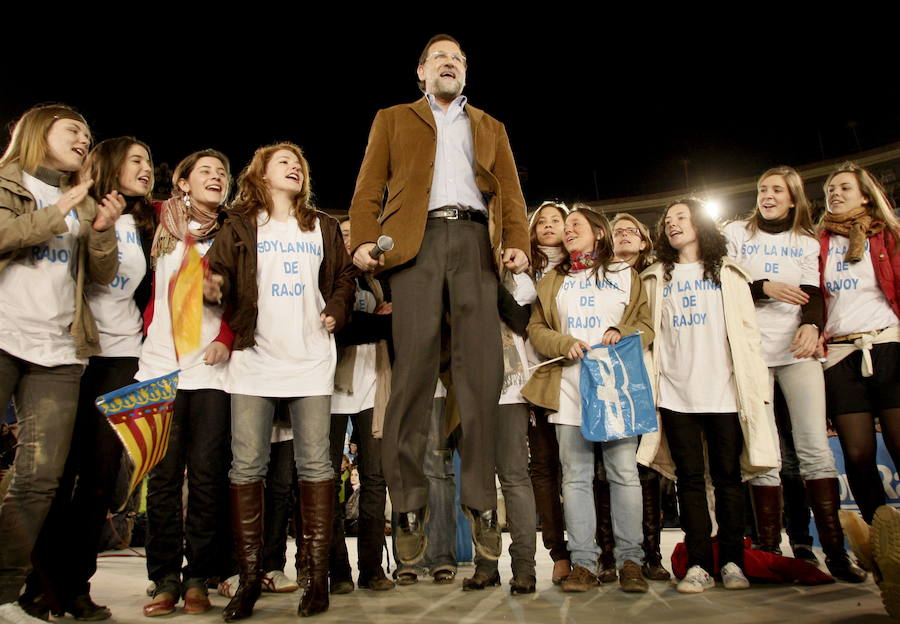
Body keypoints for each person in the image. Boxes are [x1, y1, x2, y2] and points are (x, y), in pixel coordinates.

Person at [348, 33, 531, 564]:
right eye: (439, 58)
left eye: (458, 59)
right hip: (416, 246)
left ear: (465, 74)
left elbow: (513, 195)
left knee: (481, 377)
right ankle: (407, 506)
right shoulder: (392, 118)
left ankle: (480, 503)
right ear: (421, 73)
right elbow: (367, 188)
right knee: (412, 376)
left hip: (475, 245)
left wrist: (516, 244)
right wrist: (362, 239)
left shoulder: (490, 126)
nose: (449, 64)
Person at [204, 142, 355, 619]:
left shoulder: (324, 226)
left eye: (298, 163)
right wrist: (214, 289)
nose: (293, 167)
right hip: (253, 359)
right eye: (282, 162)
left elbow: (343, 279)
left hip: (311, 360)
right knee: (246, 467)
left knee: (316, 465)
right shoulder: (240, 226)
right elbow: (219, 276)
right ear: (261, 175)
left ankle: (315, 579)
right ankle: (249, 581)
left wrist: (335, 308)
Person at [22, 137, 157, 621]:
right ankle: (38, 585)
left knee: (100, 481)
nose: (147, 168)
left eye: (148, 161)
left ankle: (76, 586)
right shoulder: (78, 207)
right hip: (74, 353)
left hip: (124, 358)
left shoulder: (146, 222)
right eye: (136, 160)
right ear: (110, 163)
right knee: (57, 476)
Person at [0, 104, 122, 624]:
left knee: (40, 478)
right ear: (37, 131)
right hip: (3, 336)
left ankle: (3, 590)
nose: (83, 138)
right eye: (73, 129)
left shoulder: (86, 199)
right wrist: (60, 208)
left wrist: (101, 228)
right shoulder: (5, 182)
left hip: (59, 348)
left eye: (87, 133)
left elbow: (100, 273)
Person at [724, 166, 865, 582]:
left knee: (813, 449)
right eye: (762, 188)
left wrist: (812, 324)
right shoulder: (736, 233)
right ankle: (771, 552)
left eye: (776, 190)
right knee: (765, 453)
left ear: (792, 198)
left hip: (797, 350)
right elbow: (724, 283)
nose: (767, 195)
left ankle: (836, 551)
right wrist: (762, 285)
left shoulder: (805, 240)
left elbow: (816, 294)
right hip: (751, 352)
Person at [642, 199, 778, 594]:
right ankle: (699, 563)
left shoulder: (730, 273)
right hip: (675, 392)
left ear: (701, 224)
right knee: (689, 480)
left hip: (725, 392)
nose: (673, 225)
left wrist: (757, 391)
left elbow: (748, 336)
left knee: (728, 478)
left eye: (682, 217)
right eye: (668, 220)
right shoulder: (655, 277)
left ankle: (733, 559)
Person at [522, 206, 653, 593]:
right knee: (575, 478)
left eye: (576, 224)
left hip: (615, 389)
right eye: (567, 226)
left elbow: (646, 325)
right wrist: (563, 343)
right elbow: (536, 328)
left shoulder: (623, 273)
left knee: (623, 475)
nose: (568, 230)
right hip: (569, 388)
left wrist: (621, 330)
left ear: (599, 232)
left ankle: (631, 561)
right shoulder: (552, 281)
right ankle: (583, 563)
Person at [138, 149, 235, 617]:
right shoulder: (159, 222)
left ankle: (198, 575)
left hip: (211, 370)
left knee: (206, 477)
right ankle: (163, 579)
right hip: (158, 367)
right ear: (182, 183)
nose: (216, 177)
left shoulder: (234, 232)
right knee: (161, 479)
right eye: (206, 171)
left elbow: (248, 292)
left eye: (222, 173)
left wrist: (229, 336)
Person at [818, 162, 900, 525]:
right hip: (840, 353)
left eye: (845, 188)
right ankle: (879, 538)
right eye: (830, 190)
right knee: (857, 453)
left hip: (886, 343)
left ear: (865, 194)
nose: (835, 194)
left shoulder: (888, 235)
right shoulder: (817, 243)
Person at [591, 213, 671, 583]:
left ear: (644, 241)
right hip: (604, 380)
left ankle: (649, 553)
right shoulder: (597, 275)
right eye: (616, 230)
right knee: (604, 470)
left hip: (647, 375)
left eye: (631, 230)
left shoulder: (656, 275)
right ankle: (607, 553)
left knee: (647, 467)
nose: (622, 234)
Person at [328, 216, 394, 593]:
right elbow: (342, 328)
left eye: (357, 235)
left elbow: (392, 323)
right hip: (332, 389)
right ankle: (336, 571)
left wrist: (372, 322)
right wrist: (376, 322)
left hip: (374, 386)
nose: (352, 240)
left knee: (375, 478)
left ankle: (371, 569)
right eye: (345, 235)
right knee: (328, 480)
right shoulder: (328, 279)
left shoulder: (378, 281)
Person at [463, 268, 538, 594]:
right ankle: (486, 564)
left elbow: (521, 321)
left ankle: (524, 567)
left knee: (514, 477)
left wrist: (488, 282)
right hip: (468, 390)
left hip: (509, 388)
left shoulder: (517, 276)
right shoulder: (455, 273)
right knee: (478, 482)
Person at [524, 201, 572, 585]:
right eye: (541, 221)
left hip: (576, 374)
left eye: (556, 219)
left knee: (583, 468)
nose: (548, 225)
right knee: (543, 467)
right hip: (537, 376)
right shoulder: (522, 265)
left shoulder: (583, 266)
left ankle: (593, 546)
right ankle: (558, 553)